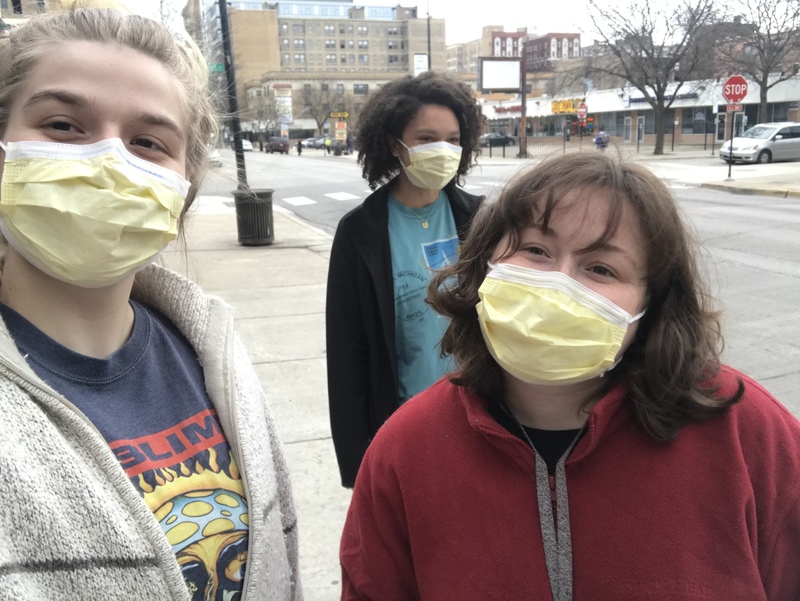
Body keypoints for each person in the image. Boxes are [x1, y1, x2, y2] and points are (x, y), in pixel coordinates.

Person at [340, 151, 800, 599]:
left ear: (649, 306)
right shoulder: (406, 452)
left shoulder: (751, 438)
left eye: (601, 268)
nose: (560, 283)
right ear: (485, 264)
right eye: (536, 250)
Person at [0, 5, 301, 600]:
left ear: (184, 186)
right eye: (63, 125)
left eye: (147, 141)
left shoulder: (212, 352)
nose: (110, 159)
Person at [326, 71, 484, 488]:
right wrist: (358, 462)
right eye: (427, 138)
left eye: (453, 139)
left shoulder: (482, 219)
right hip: (405, 424)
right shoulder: (361, 232)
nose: (443, 150)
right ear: (395, 145)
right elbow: (347, 351)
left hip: (481, 416)